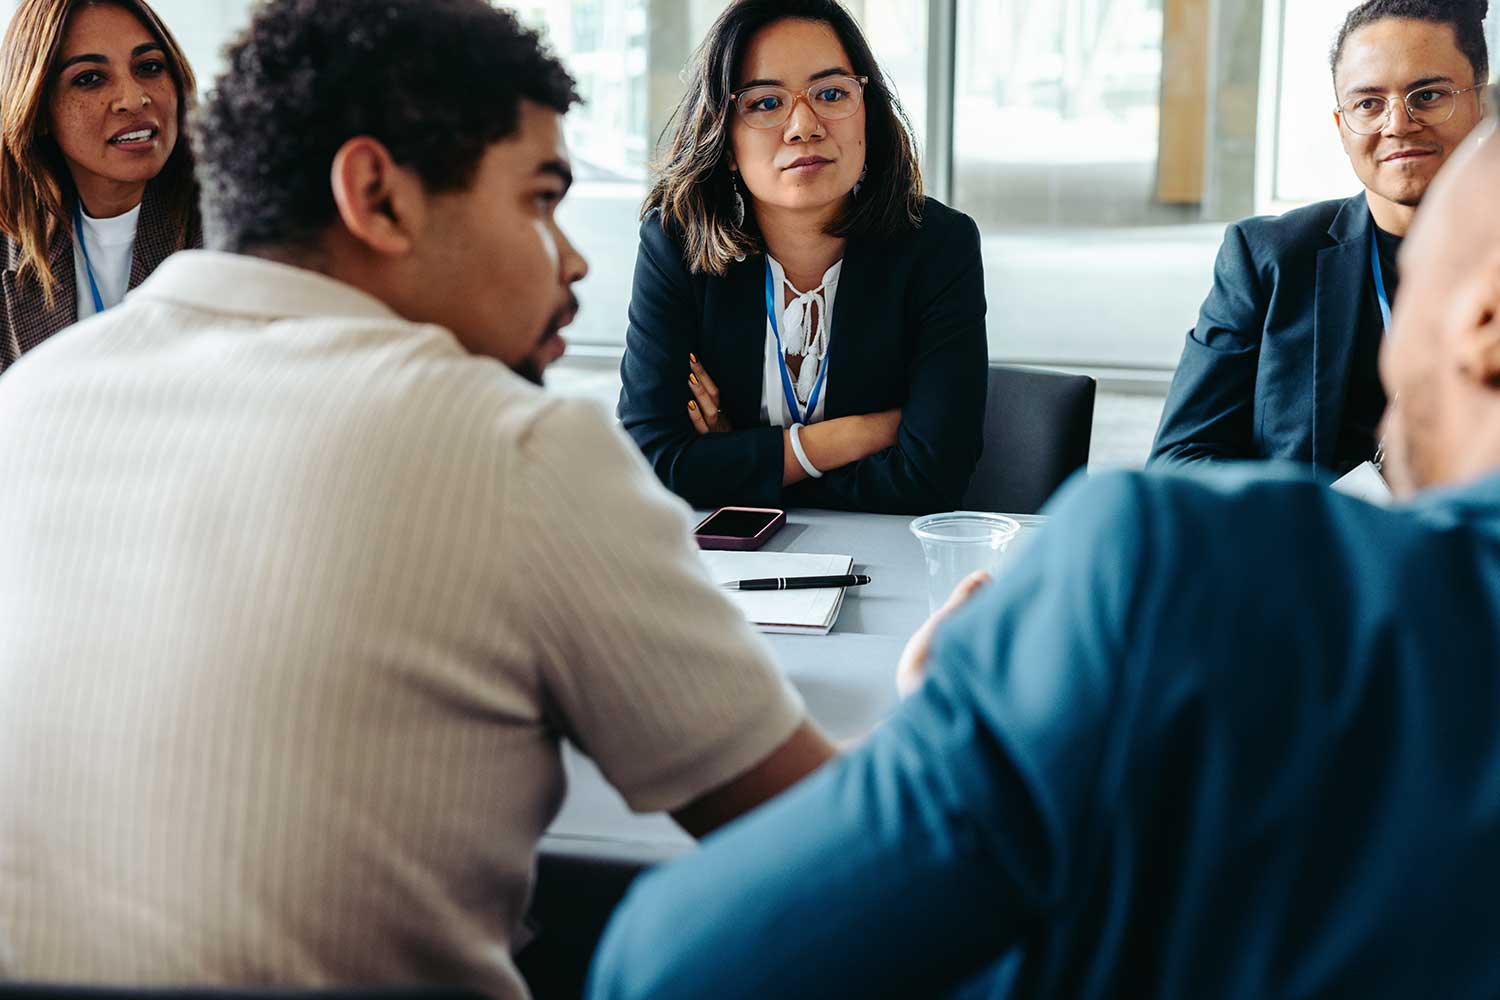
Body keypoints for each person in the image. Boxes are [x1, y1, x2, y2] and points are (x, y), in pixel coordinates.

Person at [0, 0, 838, 993]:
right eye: (537, 202)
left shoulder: (29, 400)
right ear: (377, 195)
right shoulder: (514, 444)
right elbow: (855, 856)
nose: (570, 261)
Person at [588, 109, 1500, 999]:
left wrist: (953, 727)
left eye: (1412, 282)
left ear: (1483, 329)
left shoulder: (1164, 575)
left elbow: (669, 963)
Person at [617, 0, 988, 515]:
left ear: (868, 114)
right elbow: (651, 462)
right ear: (724, 138)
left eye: (831, 93)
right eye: (766, 103)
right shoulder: (676, 243)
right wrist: (858, 435)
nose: (803, 126)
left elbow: (932, 476)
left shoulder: (939, 246)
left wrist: (734, 459)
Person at [1150, 0, 1488, 474]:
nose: (1397, 124)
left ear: (1482, 103)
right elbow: (1177, 460)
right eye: (1368, 104)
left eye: (1428, 95)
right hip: (1307, 541)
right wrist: (1321, 518)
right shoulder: (1269, 259)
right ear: (1341, 127)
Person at [0, 0, 201, 375]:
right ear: (39, 109)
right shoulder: (11, 246)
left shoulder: (236, 228)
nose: (133, 98)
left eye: (149, 67)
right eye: (90, 78)